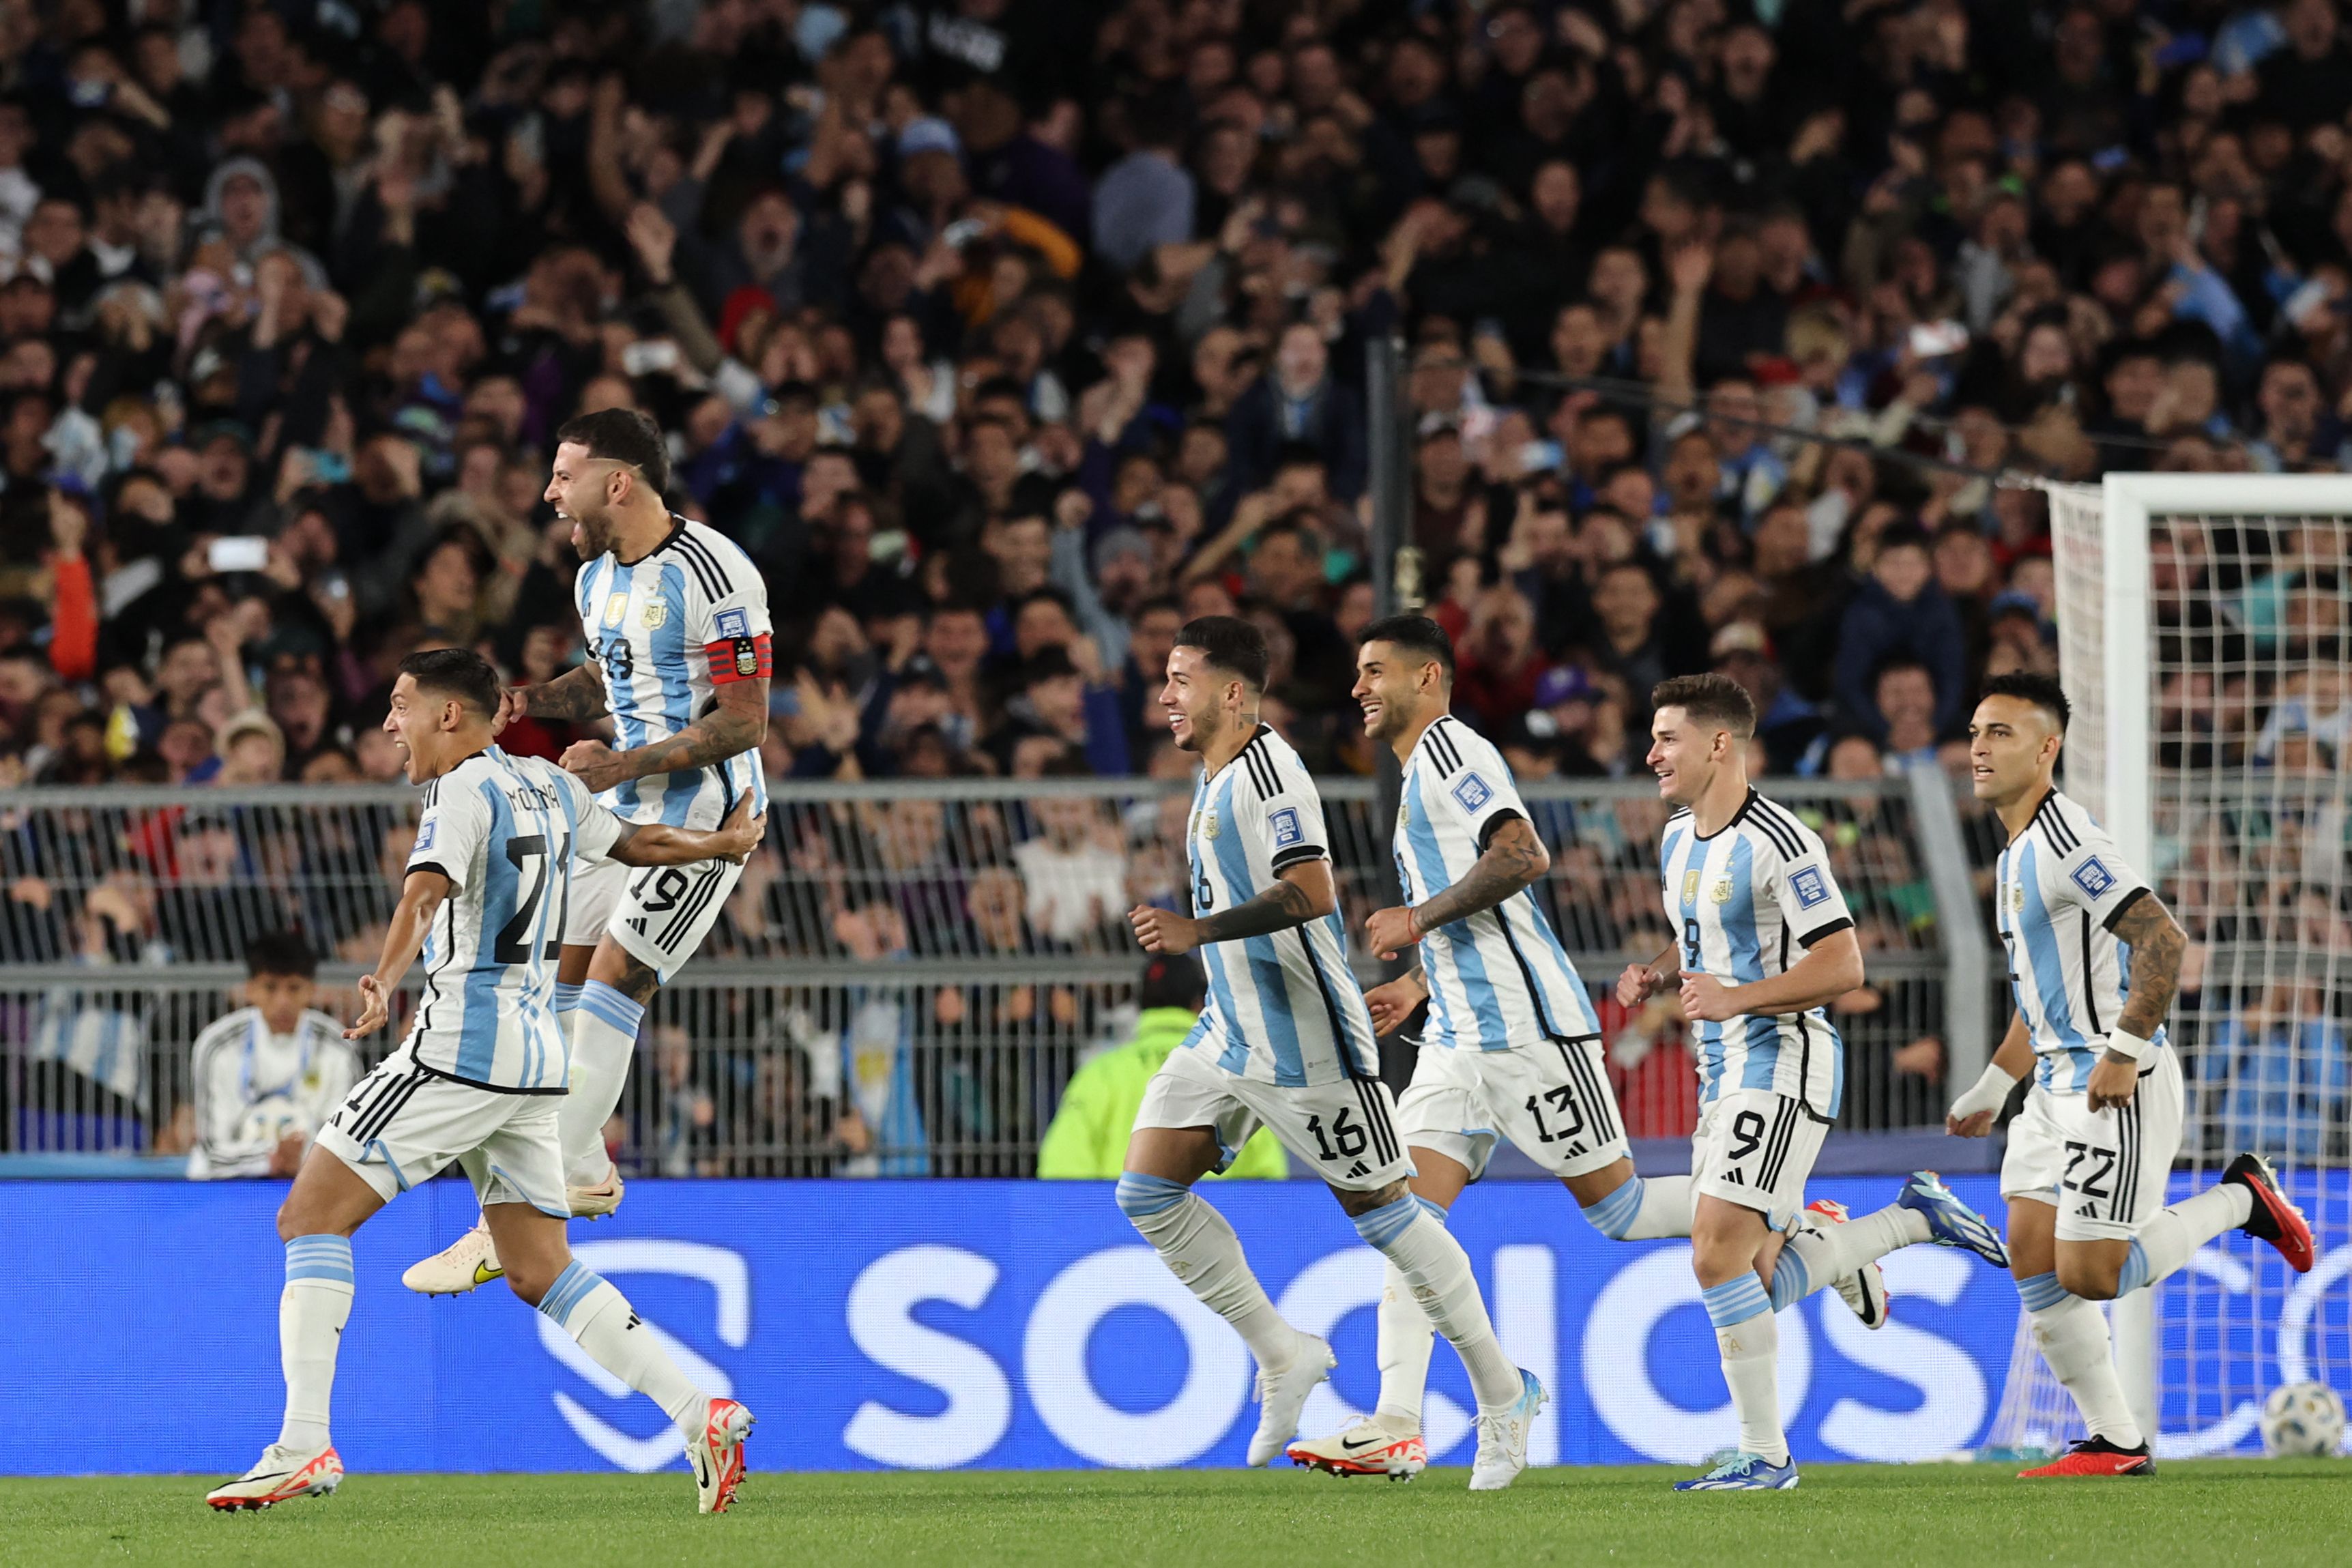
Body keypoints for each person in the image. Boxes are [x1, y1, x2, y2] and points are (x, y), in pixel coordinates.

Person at [206, 650, 766, 1513]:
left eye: (401, 705)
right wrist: (724, 844)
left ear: (452, 716)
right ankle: (702, 1411)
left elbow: (427, 890)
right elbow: (639, 843)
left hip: (458, 1049)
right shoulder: (547, 783)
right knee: (540, 1270)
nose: (390, 724)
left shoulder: (460, 791)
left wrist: (386, 977)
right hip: (536, 1057)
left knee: (309, 1214)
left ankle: (302, 1445)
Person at [1119, 616, 1541, 1489]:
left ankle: (1502, 1395)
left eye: (1180, 679)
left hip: (1310, 1049)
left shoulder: (1270, 773)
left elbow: (1310, 892)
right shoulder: (1213, 772)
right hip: (1230, 1031)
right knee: (1148, 1191)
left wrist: (1199, 929)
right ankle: (1285, 1356)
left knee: (1390, 1217)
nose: (1165, 695)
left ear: (1232, 694)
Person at [1288, 615, 1696, 1479]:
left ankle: (1785, 1208)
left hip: (1526, 1032)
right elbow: (1486, 915)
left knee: (1620, 1215)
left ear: (1428, 678)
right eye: (1356, 674)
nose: (1358, 688)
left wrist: (1417, 919)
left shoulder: (1450, 754)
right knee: (1402, 1217)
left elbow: (1522, 855)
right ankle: (1405, 1418)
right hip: (1459, 1034)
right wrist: (1424, 978)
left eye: (1375, 672)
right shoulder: (1416, 776)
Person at [404, 409, 770, 1294]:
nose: (547, 493)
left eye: (562, 477)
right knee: (540, 988)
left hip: (704, 812)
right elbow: (611, 673)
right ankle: (580, 1168)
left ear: (619, 481)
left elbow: (745, 716)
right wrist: (525, 700)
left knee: (615, 981)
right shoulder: (595, 576)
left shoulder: (716, 573)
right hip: (620, 805)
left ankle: (531, 1205)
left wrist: (622, 761)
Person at [1622, 673, 2012, 1491]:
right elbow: (1696, 938)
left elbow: (1843, 963)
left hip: (1782, 1063)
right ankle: (1894, 1225)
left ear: (1719, 744)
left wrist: (1736, 997)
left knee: (1714, 1257)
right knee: (1749, 1276)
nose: (1651, 753)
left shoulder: (1782, 841)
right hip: (1720, 1068)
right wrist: (1660, 974)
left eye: (1667, 738)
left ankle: (1767, 1458)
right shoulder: (1675, 837)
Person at [1945, 672, 2314, 1479]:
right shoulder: (2015, 852)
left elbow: (2164, 940)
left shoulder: (2066, 841)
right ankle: (2114, 1440)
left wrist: (2122, 1052)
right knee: (2032, 1258)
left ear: (2048, 748)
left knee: (2092, 1274)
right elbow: (2046, 994)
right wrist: (1995, 1083)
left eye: (2001, 733)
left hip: (2116, 1083)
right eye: (1976, 730)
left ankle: (2242, 1200)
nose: (1979, 746)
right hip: (2050, 1087)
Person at [1035, 955, 1286, 1180]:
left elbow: (1061, 1166)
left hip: (1119, 1228)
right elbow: (1267, 1174)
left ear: (1140, 1005)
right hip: (1212, 1226)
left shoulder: (1100, 1073)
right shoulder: (1233, 1074)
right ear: (1200, 1004)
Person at [186, 931, 358, 1181]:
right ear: (250, 989)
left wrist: (299, 1157)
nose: (282, 1001)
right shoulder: (217, 1045)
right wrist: (270, 1159)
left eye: (294, 988)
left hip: (313, 1181)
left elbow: (349, 1140)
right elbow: (212, 1149)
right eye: (270, 988)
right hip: (233, 1181)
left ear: (312, 990)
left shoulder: (337, 1046)